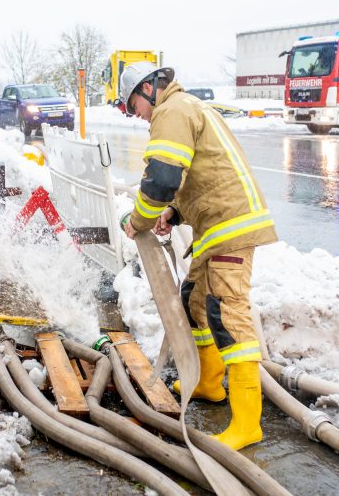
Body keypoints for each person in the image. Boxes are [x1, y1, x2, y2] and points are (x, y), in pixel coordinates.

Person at [119, 62, 278, 450]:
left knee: (227, 312)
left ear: (147, 90)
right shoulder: (185, 107)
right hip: (218, 224)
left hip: (230, 226)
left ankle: (247, 423)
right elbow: (201, 176)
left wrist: (140, 219)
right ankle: (209, 383)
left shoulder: (170, 111)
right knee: (195, 301)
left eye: (131, 107)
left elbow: (162, 178)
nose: (135, 115)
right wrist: (174, 214)